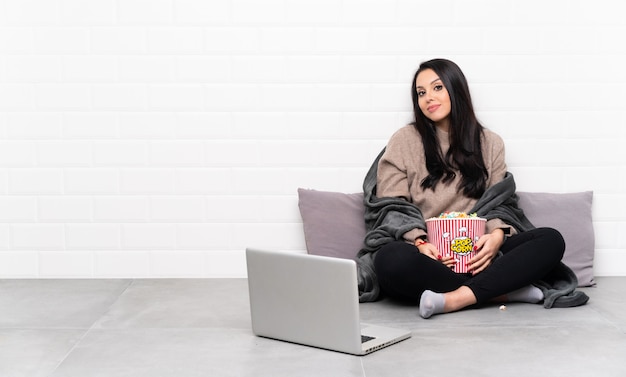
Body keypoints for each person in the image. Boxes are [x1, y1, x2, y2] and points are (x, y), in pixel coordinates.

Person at [355, 58, 588, 318]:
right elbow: (390, 206)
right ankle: (504, 291)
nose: (428, 98)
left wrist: (497, 236)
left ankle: (456, 299)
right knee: (391, 261)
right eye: (421, 93)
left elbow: (500, 203)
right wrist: (420, 243)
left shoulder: (490, 143)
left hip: (481, 256)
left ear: (456, 89)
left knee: (550, 240)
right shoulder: (404, 141)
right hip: (431, 258)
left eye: (437, 88)